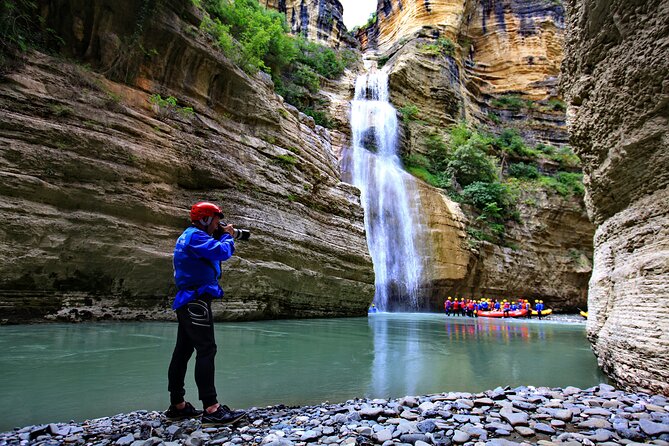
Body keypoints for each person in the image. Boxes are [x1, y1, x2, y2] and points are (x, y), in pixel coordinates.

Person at [165, 202, 247, 426]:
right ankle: (212, 409)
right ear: (204, 219)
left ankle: (178, 405)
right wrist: (228, 236)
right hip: (195, 301)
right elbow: (222, 252)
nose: (218, 224)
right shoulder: (197, 237)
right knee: (206, 349)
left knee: (182, 351)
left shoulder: (189, 235)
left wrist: (221, 234)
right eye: (216, 220)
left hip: (188, 301)